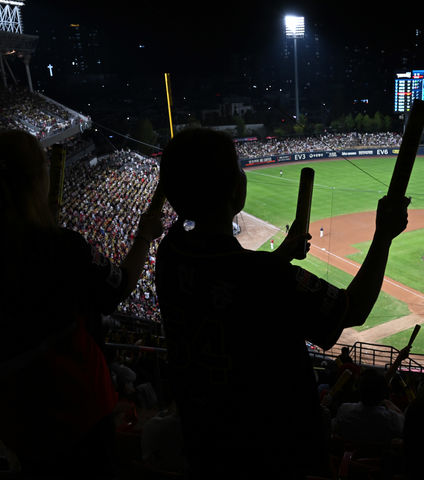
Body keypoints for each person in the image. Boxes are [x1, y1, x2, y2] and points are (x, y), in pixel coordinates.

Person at [154, 128, 410, 478]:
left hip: (205, 445)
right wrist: (383, 235)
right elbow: (353, 308)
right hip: (275, 453)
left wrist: (279, 256)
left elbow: (226, 275)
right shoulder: (265, 278)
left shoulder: (171, 253)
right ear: (234, 189)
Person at [0, 129, 164, 477]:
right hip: (76, 407)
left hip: (18, 420)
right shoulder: (59, 247)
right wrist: (145, 235)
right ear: (35, 180)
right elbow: (116, 290)